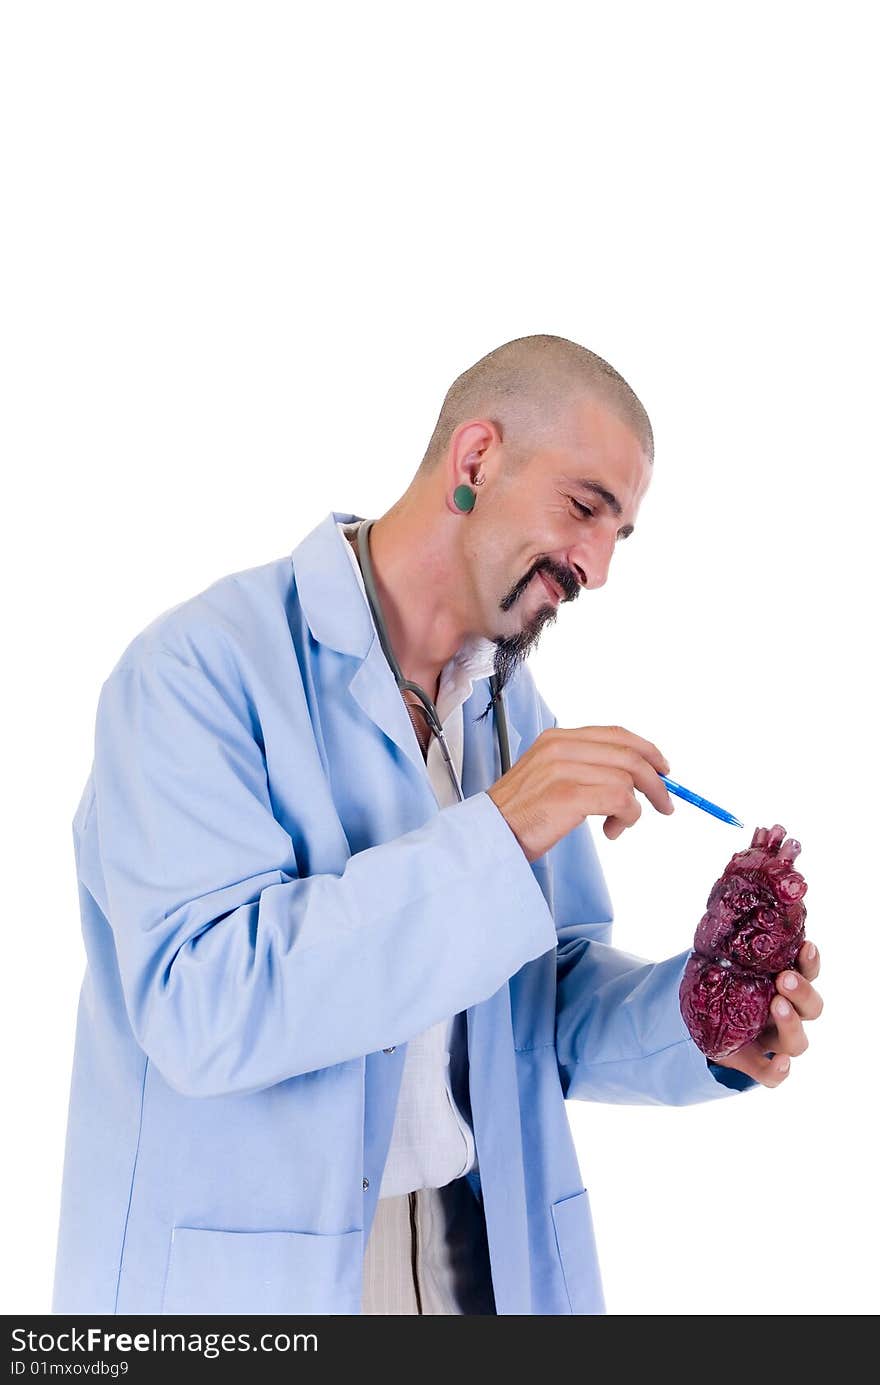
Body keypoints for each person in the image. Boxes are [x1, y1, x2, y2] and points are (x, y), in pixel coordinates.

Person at [52, 334, 822, 1316]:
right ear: (475, 460)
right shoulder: (196, 670)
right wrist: (502, 830)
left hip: (476, 1255)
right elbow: (207, 1007)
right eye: (584, 508)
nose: (593, 566)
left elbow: (542, 1007)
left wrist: (710, 1011)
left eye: (617, 534)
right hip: (259, 1288)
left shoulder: (505, 708)